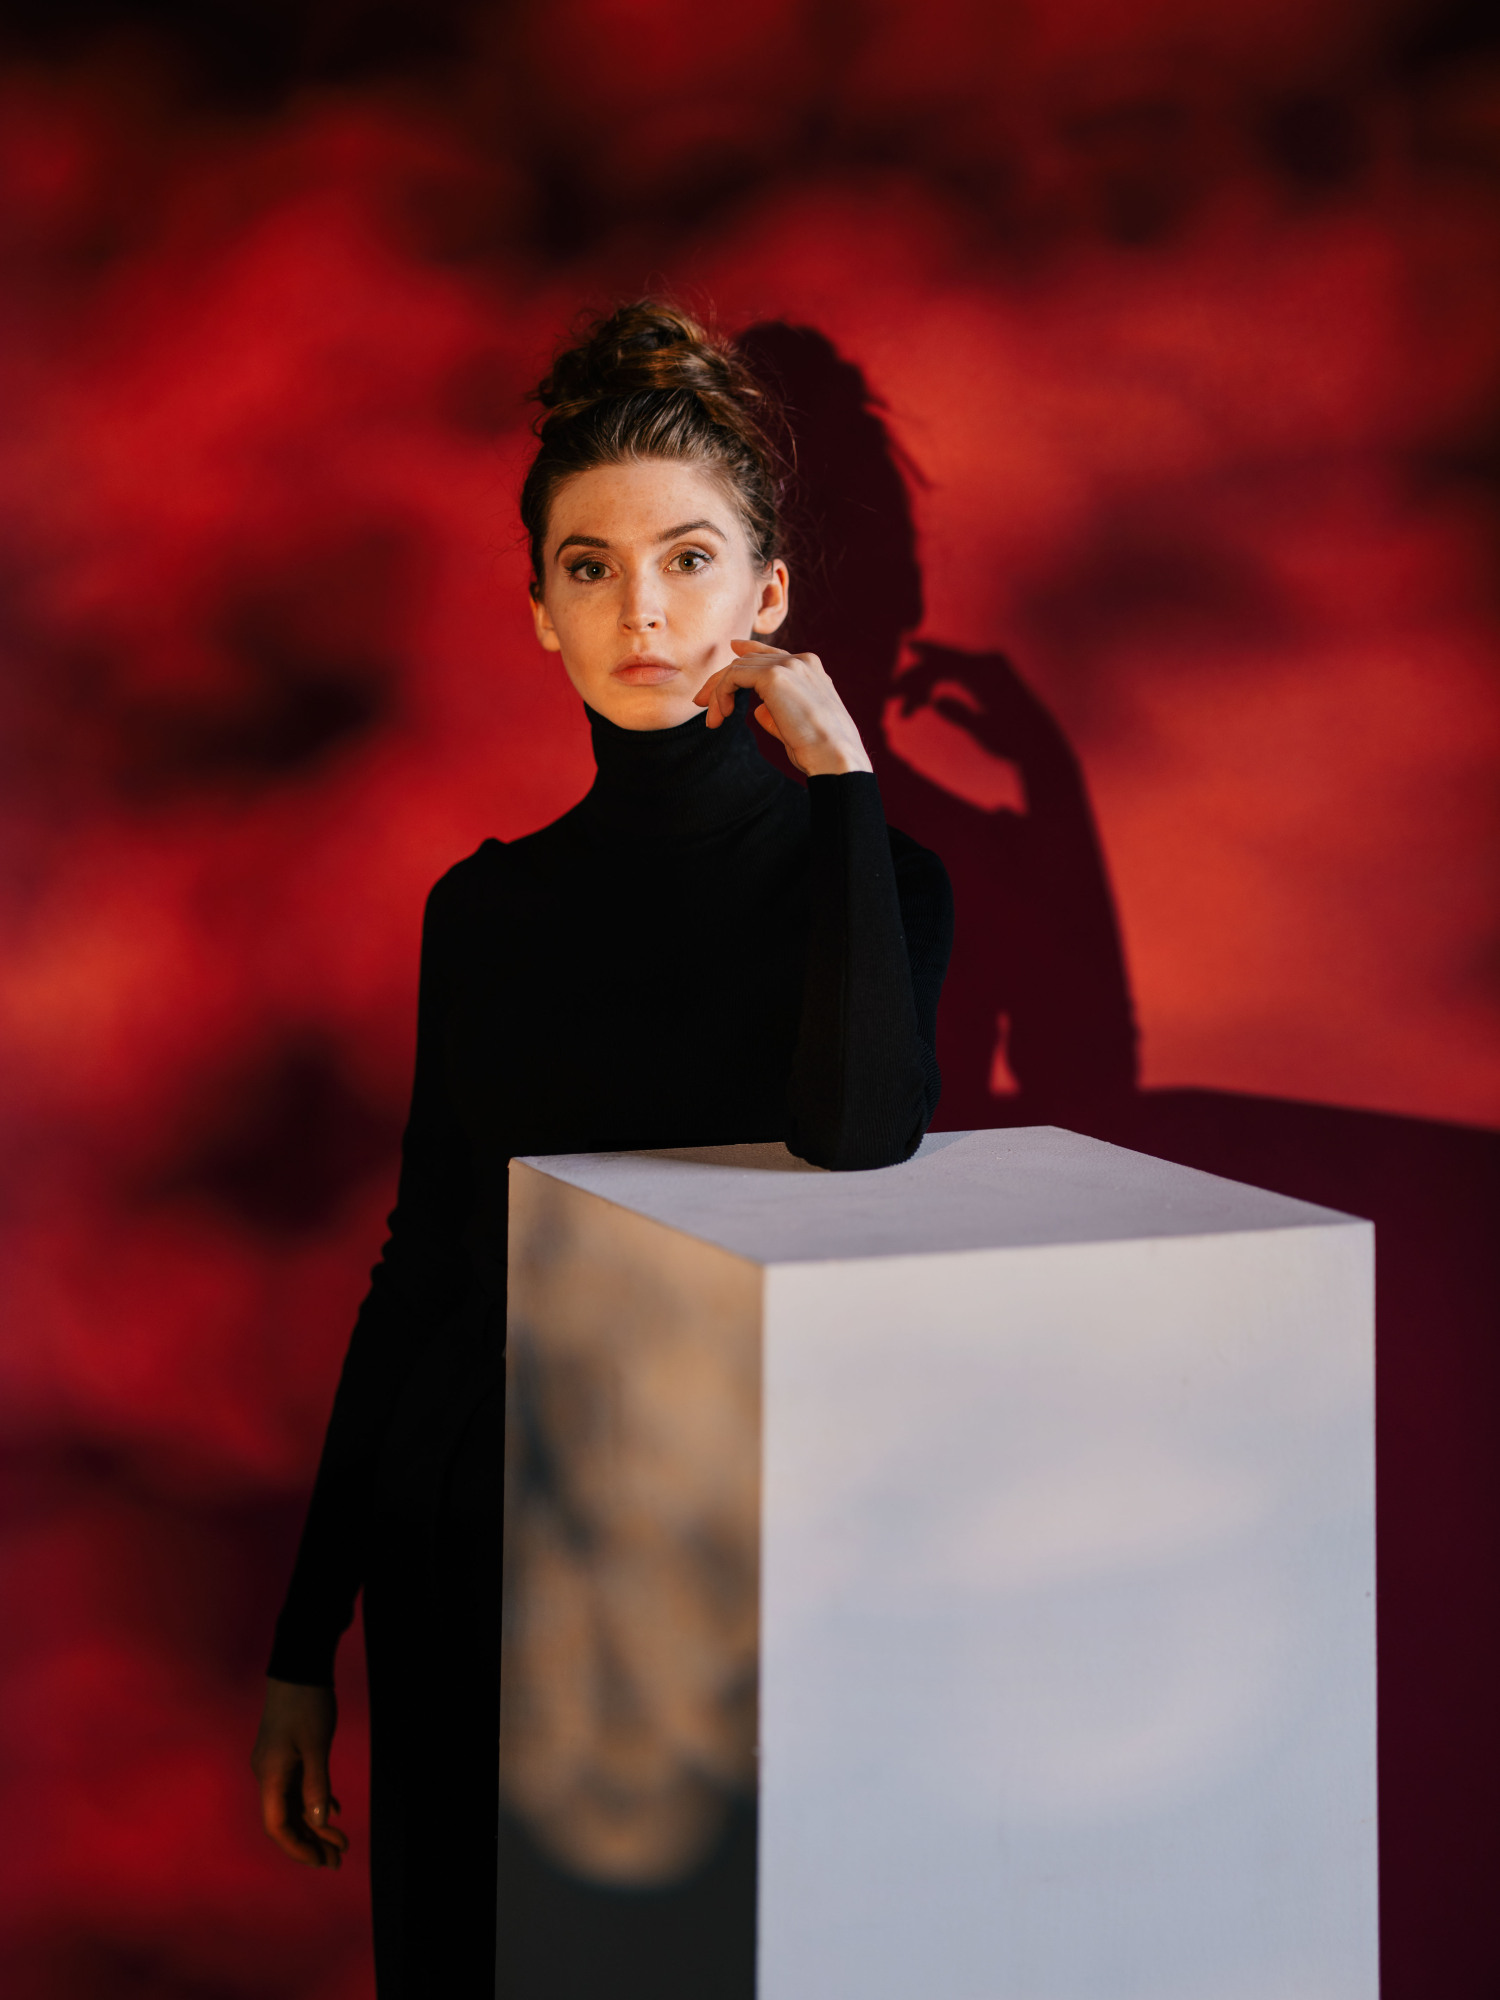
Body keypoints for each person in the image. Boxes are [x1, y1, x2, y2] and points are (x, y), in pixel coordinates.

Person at [250, 300, 954, 1998]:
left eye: (689, 557)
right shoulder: (484, 913)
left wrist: (846, 784)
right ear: (540, 610)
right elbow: (424, 1266)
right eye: (589, 565)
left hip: (735, 1561)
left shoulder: (879, 886)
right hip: (468, 1541)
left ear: (767, 600)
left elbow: (858, 1140)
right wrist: (303, 1637)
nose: (641, 607)